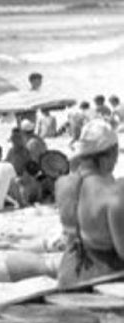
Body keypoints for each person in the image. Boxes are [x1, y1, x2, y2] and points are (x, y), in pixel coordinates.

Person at [56, 119, 124, 287]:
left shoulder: (62, 184)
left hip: (67, 276)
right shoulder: (113, 195)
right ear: (111, 154)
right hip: (103, 281)